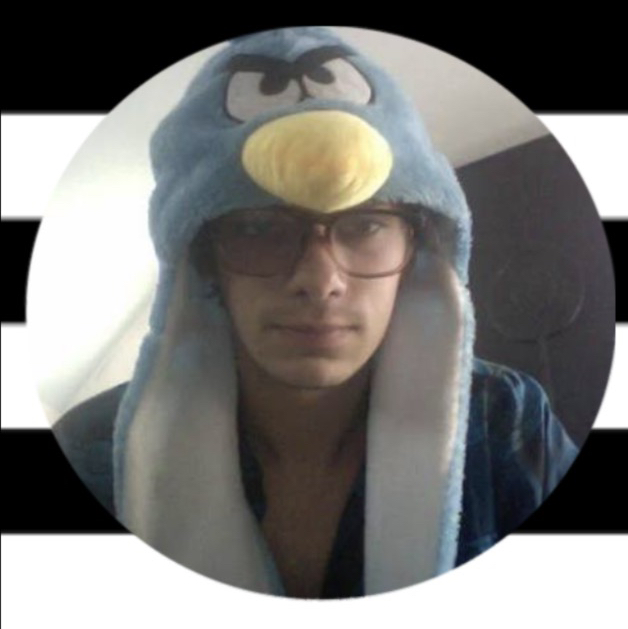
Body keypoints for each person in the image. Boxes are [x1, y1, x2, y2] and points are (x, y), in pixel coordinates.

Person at [52, 27, 579, 598]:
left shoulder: (505, 417)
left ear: (419, 247)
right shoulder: (93, 451)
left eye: (367, 224)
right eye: (260, 229)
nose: (320, 281)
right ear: (203, 261)